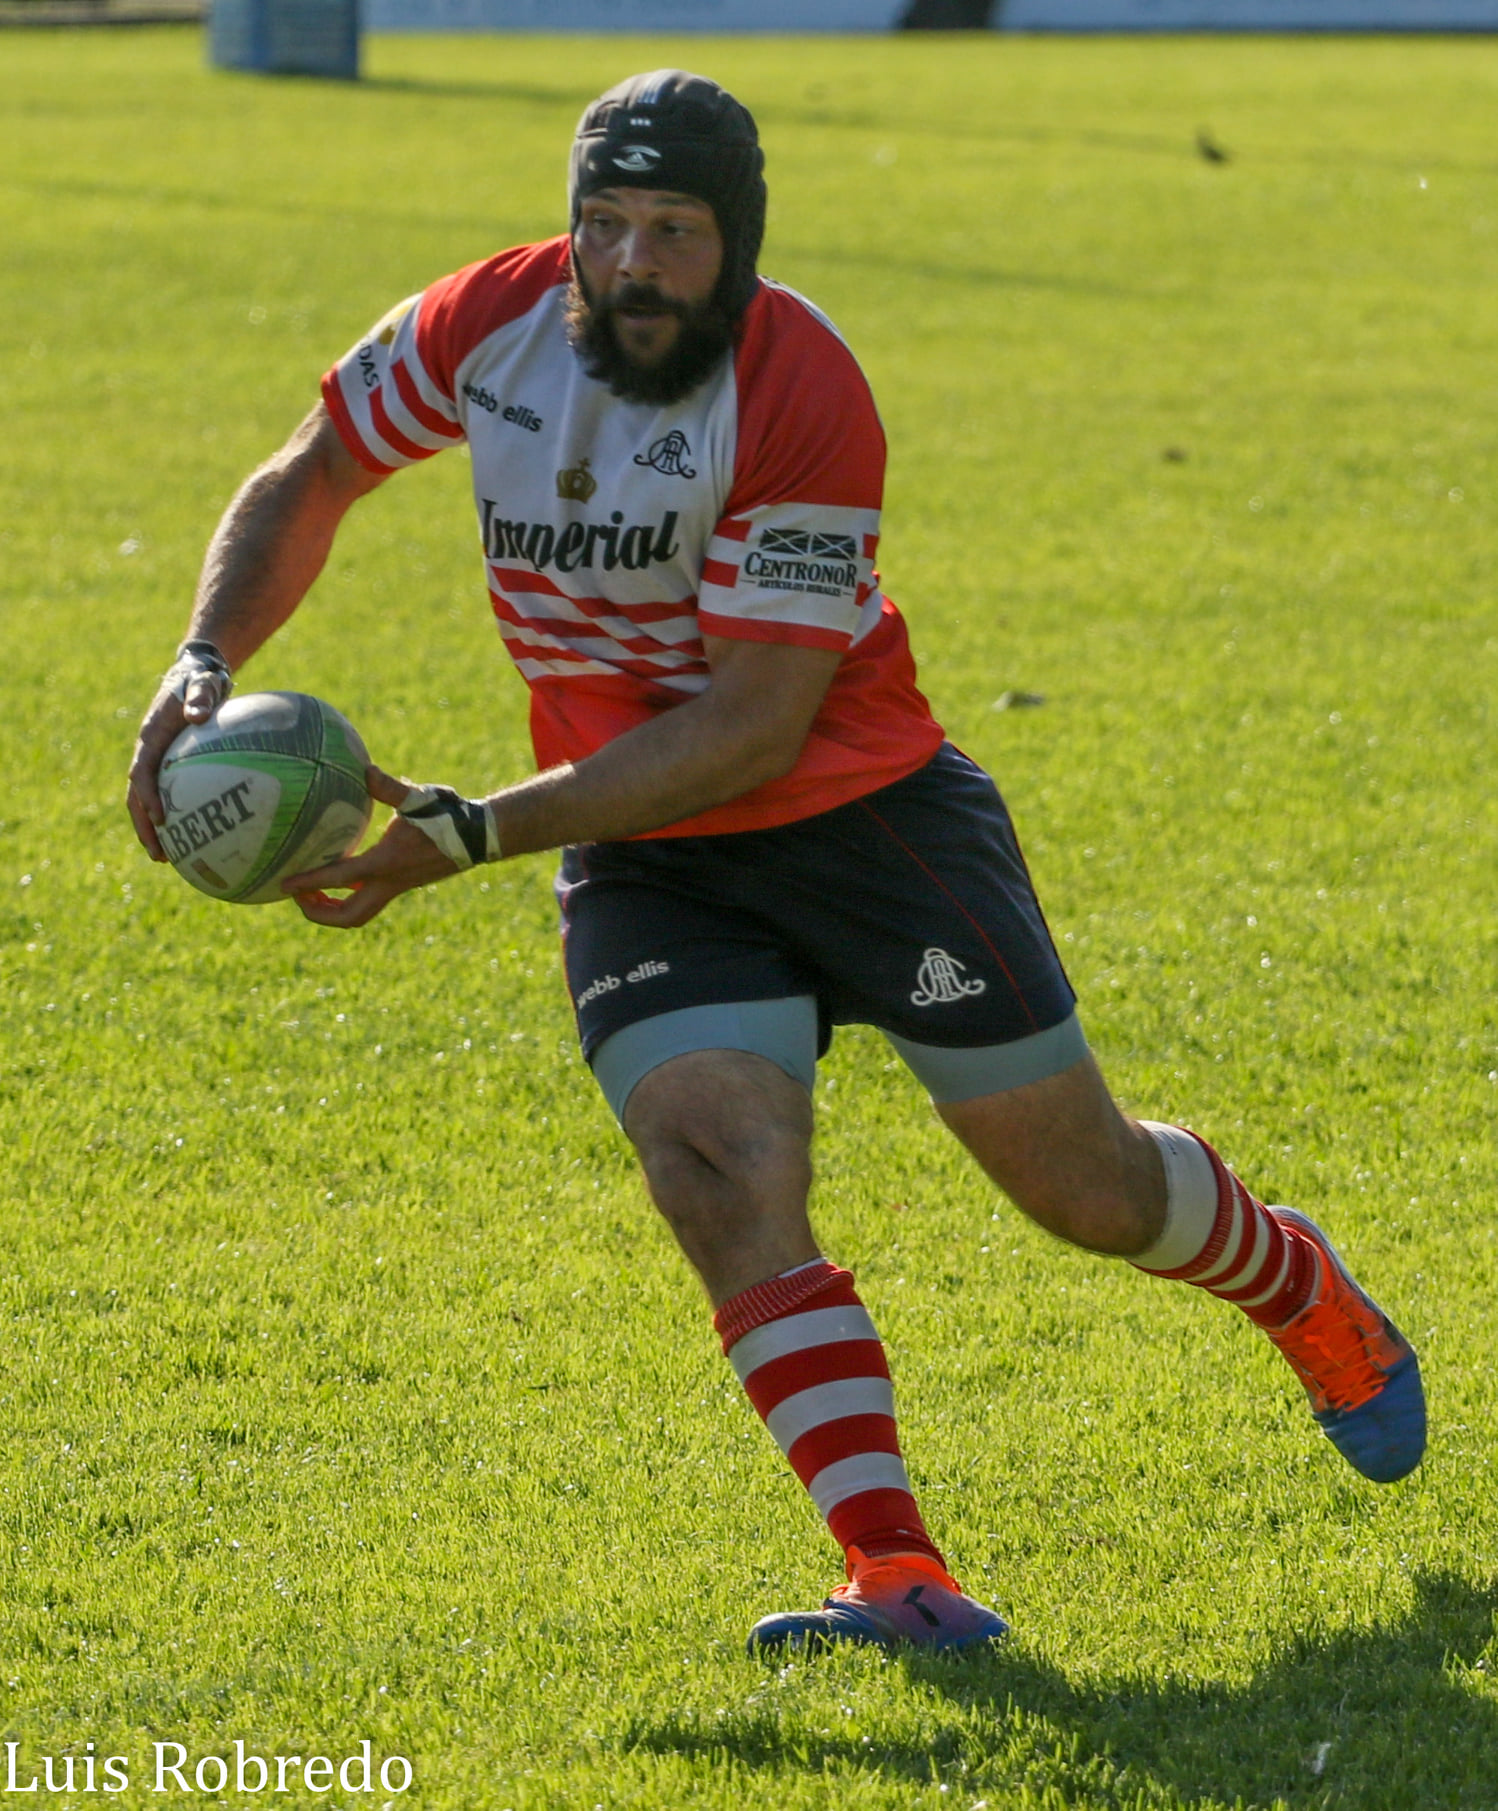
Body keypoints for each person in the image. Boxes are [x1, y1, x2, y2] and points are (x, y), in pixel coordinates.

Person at [127, 70, 1426, 1656]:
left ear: (733, 246)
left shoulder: (799, 381)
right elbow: (313, 466)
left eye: (672, 232)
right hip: (642, 850)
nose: (631, 263)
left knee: (1083, 1193)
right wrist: (202, 661)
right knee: (712, 1168)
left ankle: (1292, 1284)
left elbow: (751, 725)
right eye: (602, 224)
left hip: (865, 824)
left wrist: (464, 833)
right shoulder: (484, 327)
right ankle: (897, 1574)